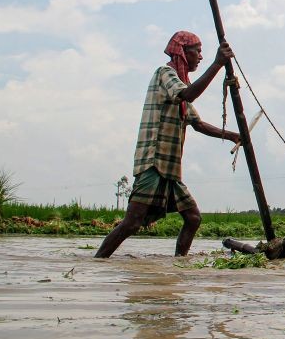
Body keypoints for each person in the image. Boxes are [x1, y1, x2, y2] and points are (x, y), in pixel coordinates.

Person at [95, 31, 240, 258]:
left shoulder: (181, 83)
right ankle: (98, 261)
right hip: (154, 162)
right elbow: (188, 95)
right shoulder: (165, 73)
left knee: (193, 219)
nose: (200, 57)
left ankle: (178, 265)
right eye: (197, 51)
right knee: (132, 223)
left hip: (170, 169)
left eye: (202, 52)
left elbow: (197, 123)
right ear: (183, 52)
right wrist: (217, 64)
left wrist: (233, 136)